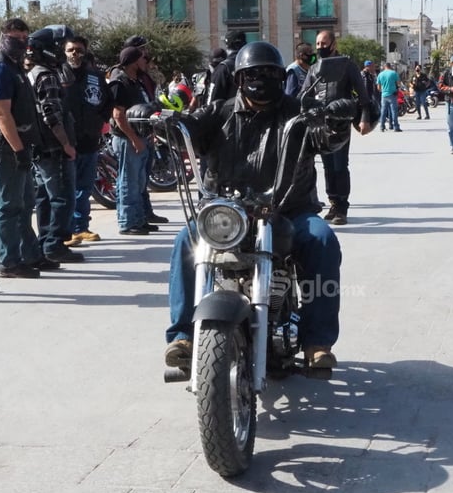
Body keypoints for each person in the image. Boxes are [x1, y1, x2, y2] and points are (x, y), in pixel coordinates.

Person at [163, 41, 350, 370]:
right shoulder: (219, 112)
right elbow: (188, 130)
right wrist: (165, 124)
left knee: (322, 239)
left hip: (289, 209)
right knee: (186, 239)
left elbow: (325, 138)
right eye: (253, 73)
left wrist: (335, 122)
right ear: (239, 79)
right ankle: (183, 335)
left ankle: (317, 342)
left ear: (281, 77)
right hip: (227, 211)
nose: (261, 79)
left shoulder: (299, 113)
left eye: (269, 73)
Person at [0, 18, 44, 278]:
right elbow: (1, 114)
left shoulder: (13, 66)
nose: (20, 42)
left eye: (24, 37)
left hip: (19, 145)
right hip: (5, 146)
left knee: (25, 202)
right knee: (9, 206)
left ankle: (29, 255)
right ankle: (9, 262)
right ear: (3, 37)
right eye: (15, 37)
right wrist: (18, 150)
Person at [301, 29, 373, 226]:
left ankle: (342, 207)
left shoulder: (347, 65)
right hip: (320, 126)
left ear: (333, 45)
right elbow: (303, 95)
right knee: (327, 166)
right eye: (317, 44)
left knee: (340, 165)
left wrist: (364, 119)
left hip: (341, 124)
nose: (319, 47)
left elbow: (363, 97)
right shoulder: (314, 68)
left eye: (323, 44)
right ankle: (333, 202)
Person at [25, 26, 83, 264]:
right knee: (61, 197)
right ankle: (54, 245)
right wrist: (66, 144)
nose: (62, 52)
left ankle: (45, 243)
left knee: (45, 197)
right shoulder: (46, 76)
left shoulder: (37, 72)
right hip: (53, 148)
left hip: (40, 147)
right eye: (59, 47)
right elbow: (51, 115)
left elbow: (68, 78)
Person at [63, 35, 109, 245]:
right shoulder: (58, 74)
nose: (75, 53)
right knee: (67, 189)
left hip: (90, 140)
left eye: (79, 50)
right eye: (71, 50)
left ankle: (81, 227)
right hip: (66, 142)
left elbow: (107, 102)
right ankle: (67, 230)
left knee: (85, 187)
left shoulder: (95, 76)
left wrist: (100, 121)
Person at [107, 46, 156, 235]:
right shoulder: (120, 82)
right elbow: (119, 115)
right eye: (143, 58)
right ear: (135, 61)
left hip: (139, 137)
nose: (146, 61)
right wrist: (134, 139)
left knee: (139, 181)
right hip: (127, 139)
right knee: (128, 181)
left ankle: (139, 219)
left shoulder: (136, 81)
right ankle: (127, 222)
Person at [208, 30, 246, 103]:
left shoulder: (224, 67)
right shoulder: (254, 66)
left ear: (227, 45)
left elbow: (213, 102)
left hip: (230, 112)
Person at [376, 63, 402, 133]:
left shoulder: (380, 74)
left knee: (383, 111)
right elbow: (398, 83)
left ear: (384, 67)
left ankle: (382, 126)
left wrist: (383, 90)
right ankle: (396, 126)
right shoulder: (394, 73)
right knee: (394, 111)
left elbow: (378, 87)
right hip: (392, 95)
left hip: (384, 95)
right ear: (390, 67)